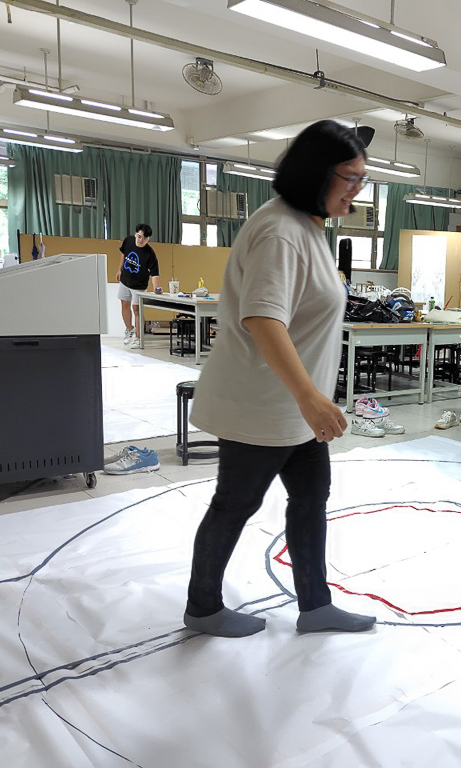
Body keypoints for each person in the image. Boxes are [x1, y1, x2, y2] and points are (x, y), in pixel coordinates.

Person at [183, 120, 376, 638]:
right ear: (317, 173)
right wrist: (310, 396)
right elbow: (263, 318)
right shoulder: (280, 232)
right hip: (261, 408)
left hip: (295, 410)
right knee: (236, 504)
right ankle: (202, 607)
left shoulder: (308, 227)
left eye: (362, 179)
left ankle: (315, 606)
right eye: (350, 178)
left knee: (311, 500)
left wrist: (309, 401)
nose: (357, 191)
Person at [116, 223, 159, 347]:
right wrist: (119, 270)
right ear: (136, 234)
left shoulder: (150, 253)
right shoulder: (128, 241)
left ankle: (138, 338)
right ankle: (129, 329)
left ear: (148, 239)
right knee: (124, 305)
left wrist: (155, 288)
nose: (141, 240)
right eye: (139, 237)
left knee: (137, 310)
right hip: (125, 281)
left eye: (144, 238)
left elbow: (155, 273)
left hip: (139, 286)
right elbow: (123, 254)